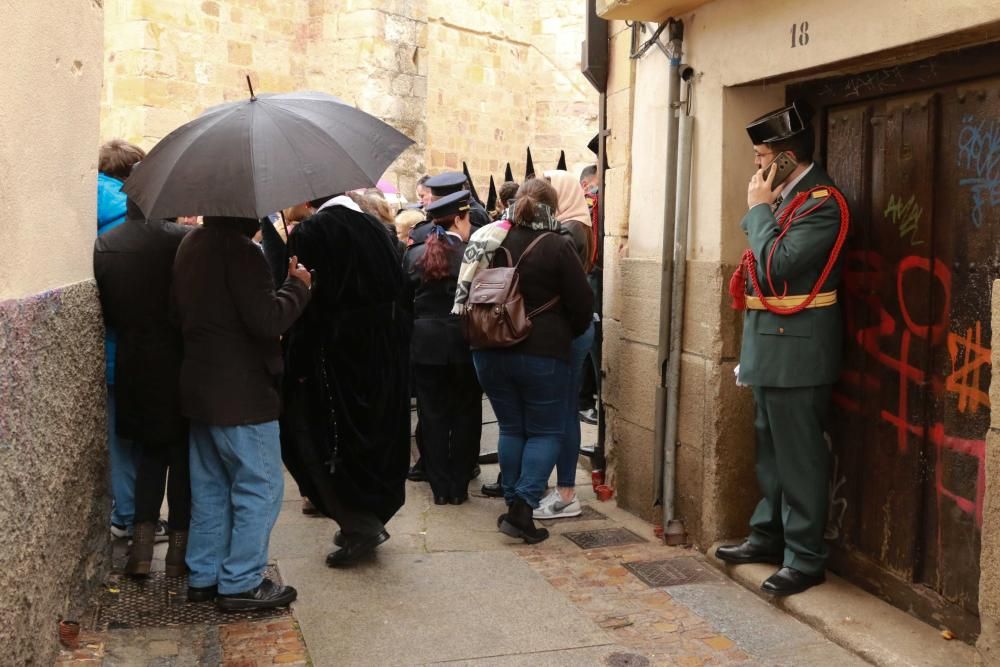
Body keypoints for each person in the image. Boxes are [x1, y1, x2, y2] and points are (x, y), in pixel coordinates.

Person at [716, 101, 848, 596]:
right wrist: (763, 211)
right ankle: (767, 534)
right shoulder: (788, 200)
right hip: (770, 343)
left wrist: (757, 209)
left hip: (799, 348)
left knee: (799, 457)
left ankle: (806, 557)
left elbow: (776, 267)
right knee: (769, 451)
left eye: (760, 156)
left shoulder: (821, 202)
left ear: (786, 159)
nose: (756, 167)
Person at [173, 215, 311, 610]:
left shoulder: (190, 244)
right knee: (261, 486)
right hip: (241, 392)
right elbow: (268, 320)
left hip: (200, 385)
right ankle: (241, 582)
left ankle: (205, 575)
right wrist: (296, 287)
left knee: (211, 487)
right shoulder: (241, 251)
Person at [280, 195, 411, 567]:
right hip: (383, 353)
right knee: (374, 438)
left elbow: (310, 299)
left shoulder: (313, 231)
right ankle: (367, 515)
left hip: (334, 357)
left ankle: (359, 523)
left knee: (319, 437)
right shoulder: (376, 227)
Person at [468, 179, 593, 543]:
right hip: (542, 351)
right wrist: (567, 332)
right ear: (551, 209)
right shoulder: (555, 245)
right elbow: (582, 303)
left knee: (511, 428)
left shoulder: (489, 238)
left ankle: (512, 502)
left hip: (489, 347)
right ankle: (523, 508)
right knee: (545, 430)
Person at [94, 195, 191, 576]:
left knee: (150, 455)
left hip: (133, 359)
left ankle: (141, 549)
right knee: (183, 459)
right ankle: (178, 554)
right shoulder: (183, 239)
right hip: (179, 358)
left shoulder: (106, 243)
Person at [97, 139, 167, 543]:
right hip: (144, 345)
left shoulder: (93, 213)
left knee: (120, 435)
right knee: (142, 437)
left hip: (109, 344)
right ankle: (136, 515)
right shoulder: (134, 217)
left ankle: (125, 512)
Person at [402, 191, 482, 505]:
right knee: (466, 413)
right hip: (464, 341)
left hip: (425, 343)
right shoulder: (473, 253)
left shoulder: (414, 254)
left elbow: (403, 302)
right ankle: (459, 485)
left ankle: (439, 487)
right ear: (460, 218)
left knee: (432, 415)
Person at [530, 170, 596, 520]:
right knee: (562, 409)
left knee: (563, 411)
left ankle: (567, 492)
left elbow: (572, 289)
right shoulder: (575, 225)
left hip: (570, 328)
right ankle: (562, 488)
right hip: (573, 327)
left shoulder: (568, 230)